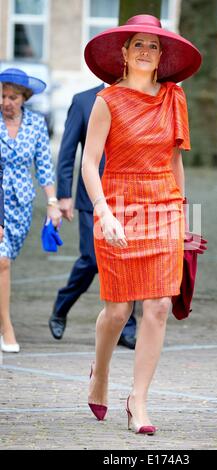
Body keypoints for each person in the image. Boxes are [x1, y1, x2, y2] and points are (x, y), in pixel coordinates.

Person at [82, 14, 202, 434]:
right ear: (123, 53)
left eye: (153, 46)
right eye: (138, 45)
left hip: (163, 205)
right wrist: (104, 211)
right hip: (116, 205)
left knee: (158, 307)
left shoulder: (175, 98)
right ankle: (99, 376)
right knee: (118, 309)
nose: (146, 52)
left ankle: (139, 400)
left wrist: (185, 219)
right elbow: (89, 163)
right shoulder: (107, 100)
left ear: (161, 55)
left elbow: (174, 161)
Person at [48, 85, 137, 349]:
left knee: (127, 261)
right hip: (91, 198)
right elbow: (67, 152)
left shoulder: (137, 98)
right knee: (91, 259)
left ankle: (127, 325)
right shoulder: (84, 100)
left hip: (128, 198)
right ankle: (62, 306)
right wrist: (64, 194)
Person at [0, 68, 62, 353]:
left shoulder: (36, 125)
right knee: (2, 261)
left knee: (6, 259)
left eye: (12, 96)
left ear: (24, 97)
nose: (6, 102)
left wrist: (52, 204)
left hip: (22, 202)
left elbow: (44, 167)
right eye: (2, 96)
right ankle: (7, 327)